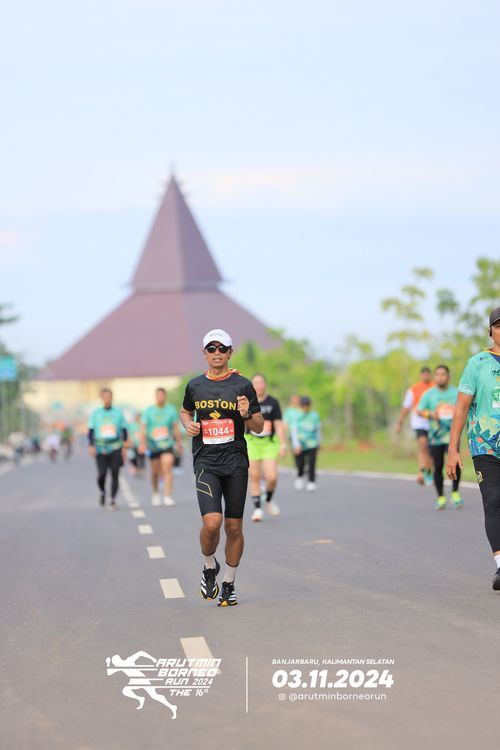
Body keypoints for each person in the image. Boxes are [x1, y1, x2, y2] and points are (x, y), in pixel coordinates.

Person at [179, 329, 263, 607]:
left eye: (222, 348)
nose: (217, 353)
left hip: (236, 462)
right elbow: (185, 411)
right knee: (212, 523)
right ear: (204, 353)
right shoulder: (194, 385)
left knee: (234, 528)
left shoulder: (243, 385)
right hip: (206, 462)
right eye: (212, 349)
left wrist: (246, 414)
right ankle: (208, 566)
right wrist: (187, 424)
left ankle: (228, 582)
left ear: (230, 352)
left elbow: (258, 426)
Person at [446, 307, 500, 590]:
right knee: (493, 500)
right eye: (499, 326)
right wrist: (453, 450)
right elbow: (461, 408)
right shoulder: (476, 364)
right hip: (485, 445)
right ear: (490, 331)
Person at [417, 365, 462, 510]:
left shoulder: (456, 392)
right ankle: (441, 497)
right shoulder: (429, 394)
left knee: (455, 464)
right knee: (438, 466)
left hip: (452, 436)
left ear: (448, 376)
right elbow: (419, 410)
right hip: (435, 437)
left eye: (443, 374)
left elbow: (464, 407)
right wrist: (430, 414)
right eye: (437, 374)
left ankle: (455, 493)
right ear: (434, 377)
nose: (440, 377)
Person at [245, 374, 287, 522]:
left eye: (261, 382)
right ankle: (257, 509)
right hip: (252, 442)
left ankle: (268, 499)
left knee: (272, 477)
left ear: (265, 384)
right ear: (252, 386)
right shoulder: (248, 402)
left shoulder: (273, 402)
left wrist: (283, 444)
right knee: (254, 476)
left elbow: (278, 425)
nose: (259, 385)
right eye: (256, 383)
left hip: (269, 443)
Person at [88, 388, 128, 510]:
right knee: (102, 474)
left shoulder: (118, 413)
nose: (107, 399)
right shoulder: (96, 414)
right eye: (105, 397)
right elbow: (91, 431)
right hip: (101, 448)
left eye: (109, 397)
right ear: (101, 398)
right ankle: (102, 491)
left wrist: (125, 446)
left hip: (115, 446)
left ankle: (112, 500)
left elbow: (124, 430)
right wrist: (91, 445)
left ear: (112, 398)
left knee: (115, 473)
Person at [141, 388, 182, 506]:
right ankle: (155, 493)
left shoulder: (170, 410)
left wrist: (179, 443)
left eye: (162, 396)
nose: (160, 398)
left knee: (167, 468)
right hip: (153, 445)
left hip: (167, 444)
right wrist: (143, 444)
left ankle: (167, 495)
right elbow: (143, 428)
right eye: (158, 396)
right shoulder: (149, 411)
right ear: (155, 397)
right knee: (155, 472)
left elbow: (175, 427)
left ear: (165, 396)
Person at [396, 367, 434, 485]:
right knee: (423, 445)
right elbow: (406, 407)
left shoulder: (435, 387)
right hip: (419, 422)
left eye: (427, 374)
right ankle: (421, 471)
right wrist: (400, 422)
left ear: (430, 375)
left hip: (433, 422)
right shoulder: (414, 389)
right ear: (421, 376)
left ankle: (429, 472)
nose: (426, 376)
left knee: (431, 449)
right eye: (424, 374)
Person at [291, 396, 321, 491]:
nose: (305, 407)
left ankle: (311, 481)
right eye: (303, 405)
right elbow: (294, 431)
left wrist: (319, 442)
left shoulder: (314, 416)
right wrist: (296, 444)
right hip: (300, 444)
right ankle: (299, 476)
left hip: (312, 444)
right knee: (300, 463)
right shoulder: (296, 416)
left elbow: (318, 430)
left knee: (312, 463)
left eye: (307, 405)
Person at [283, 394, 302, 475]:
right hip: (292, 434)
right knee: (296, 451)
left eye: (297, 400)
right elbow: (285, 422)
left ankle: (302, 466)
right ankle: (297, 466)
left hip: (303, 433)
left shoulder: (301, 410)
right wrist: (285, 432)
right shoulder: (289, 411)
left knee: (304, 451)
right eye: (294, 400)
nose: (296, 401)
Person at [128, 413, 145, 478]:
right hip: (133, 444)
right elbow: (129, 434)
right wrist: (129, 442)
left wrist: (143, 443)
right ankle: (136, 468)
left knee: (140, 458)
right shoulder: (132, 425)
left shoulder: (142, 425)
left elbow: (145, 434)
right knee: (132, 458)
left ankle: (140, 471)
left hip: (141, 444)